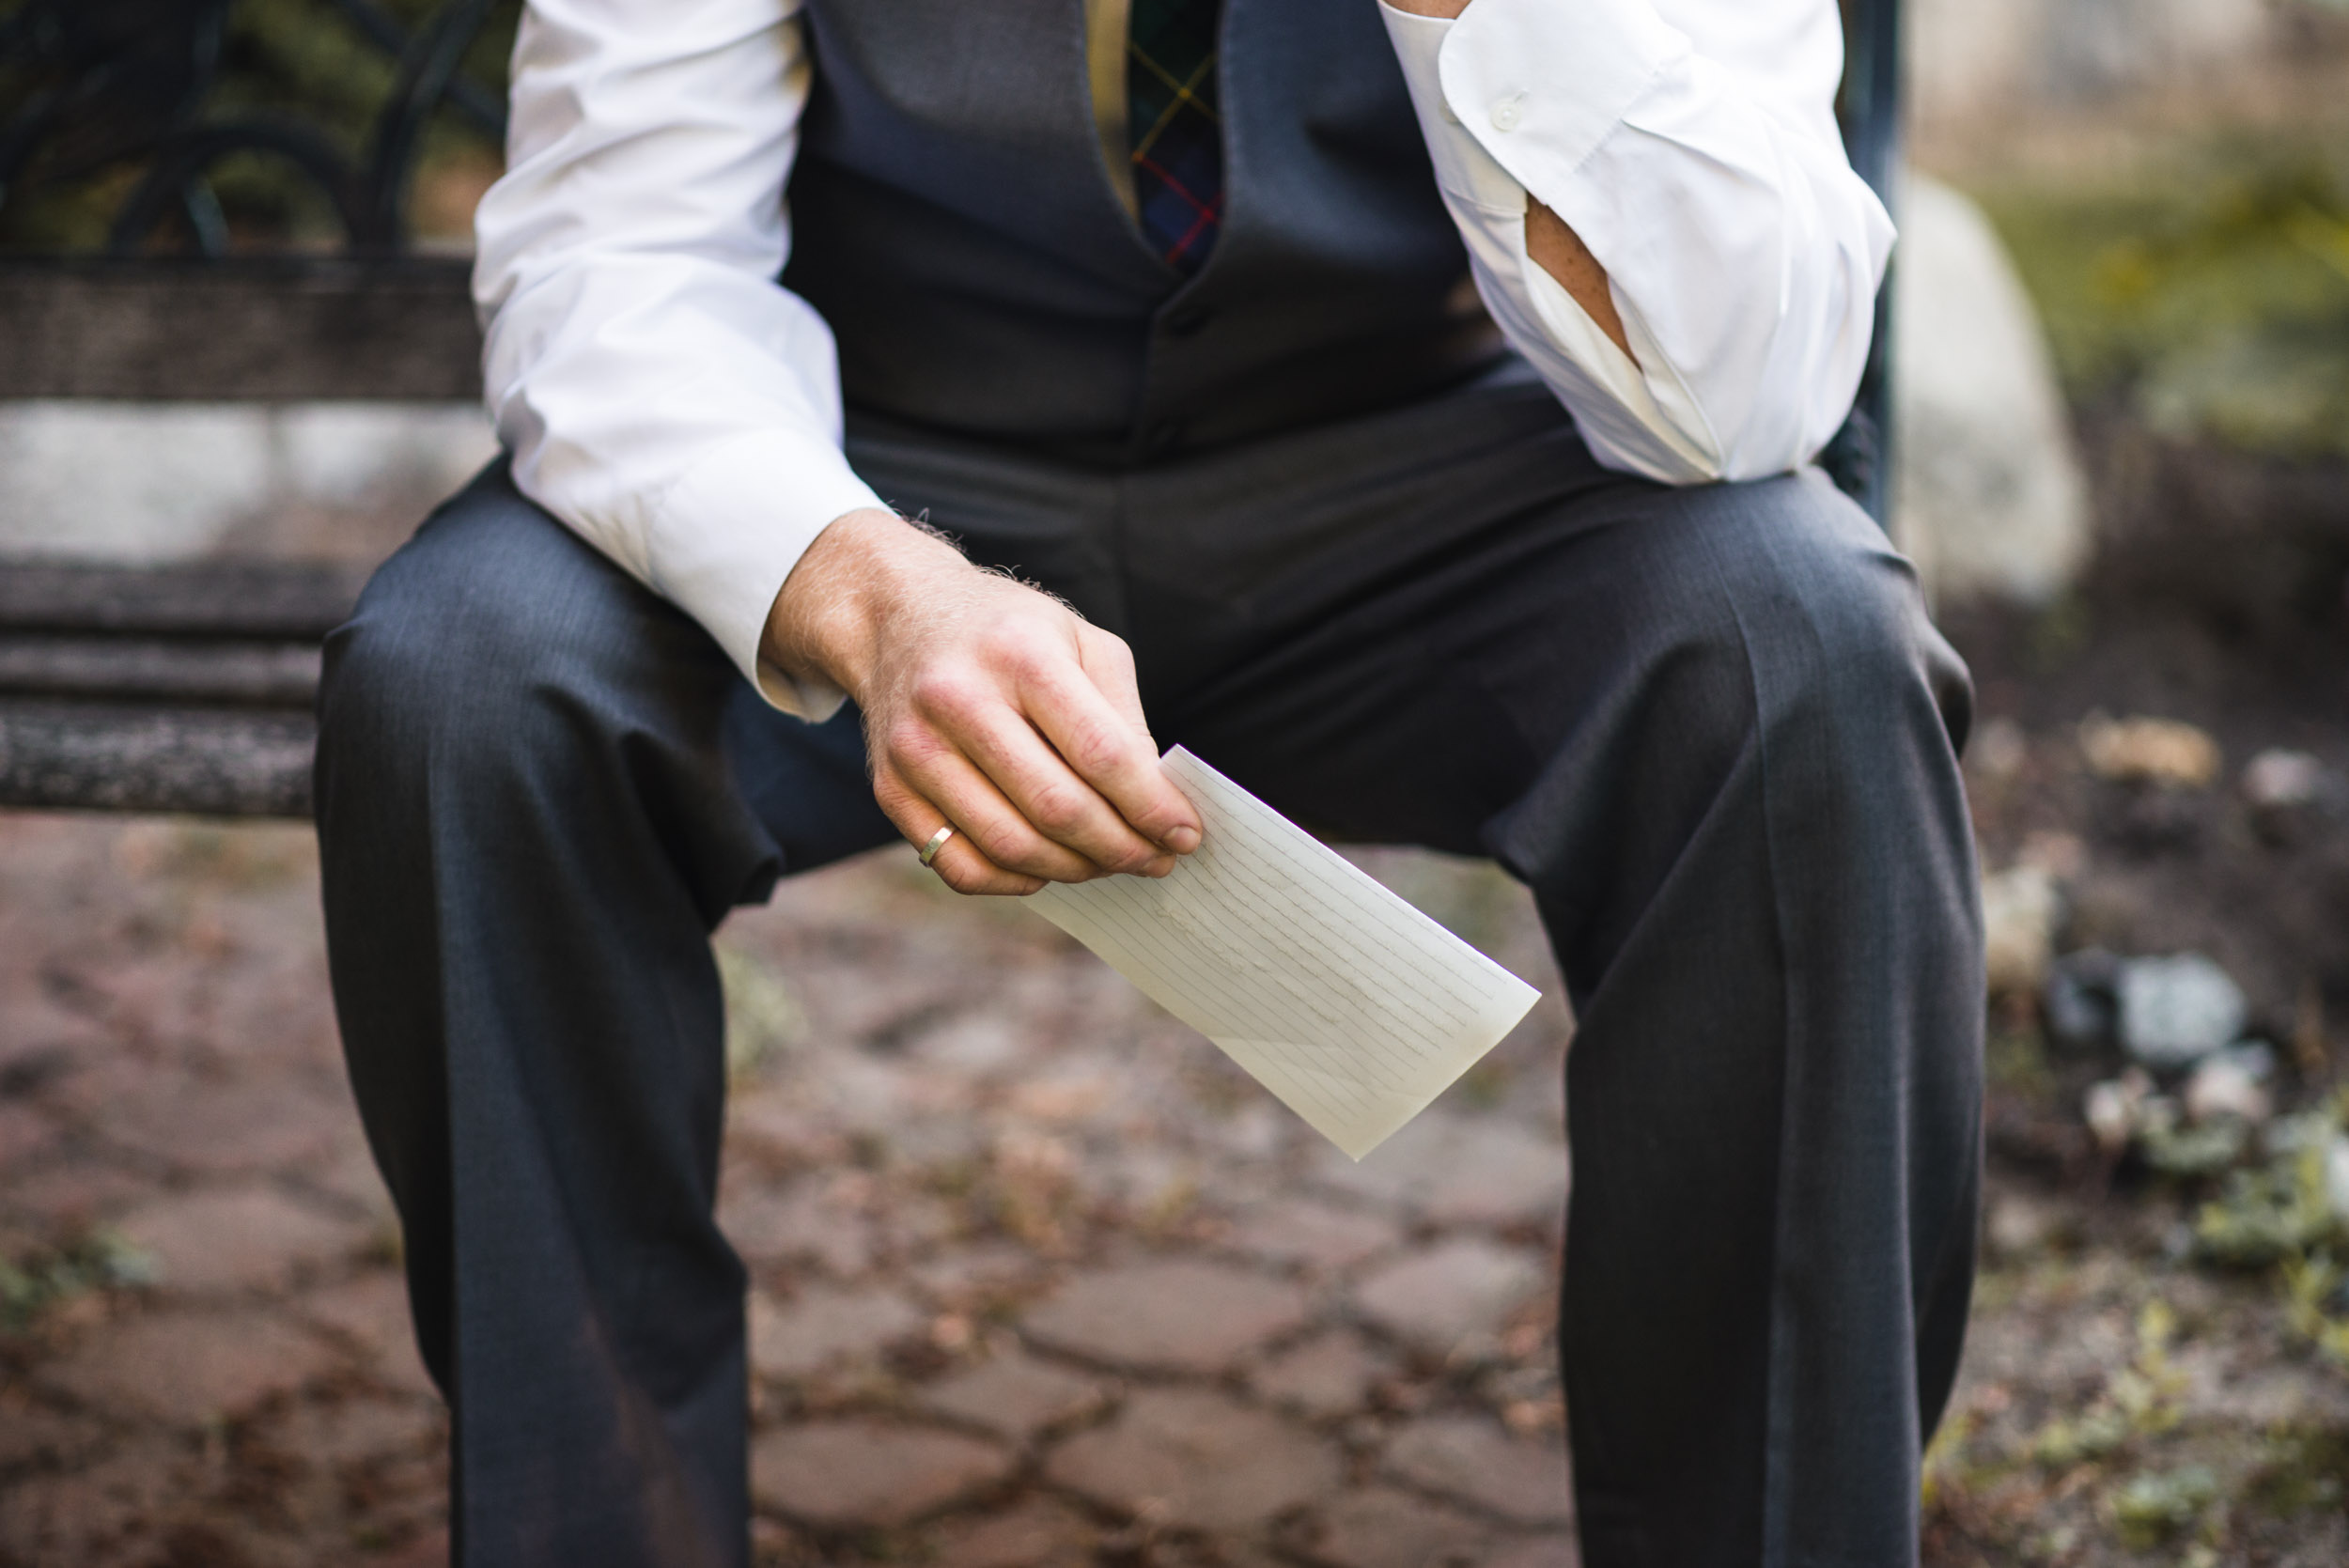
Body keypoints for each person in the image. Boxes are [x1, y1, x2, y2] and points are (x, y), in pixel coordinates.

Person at [313, 0, 1984, 1562]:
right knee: (467, 678)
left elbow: (1757, 388)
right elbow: (619, 253)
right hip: (881, 467)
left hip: (1444, 476)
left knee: (1805, 656)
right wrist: (863, 585)